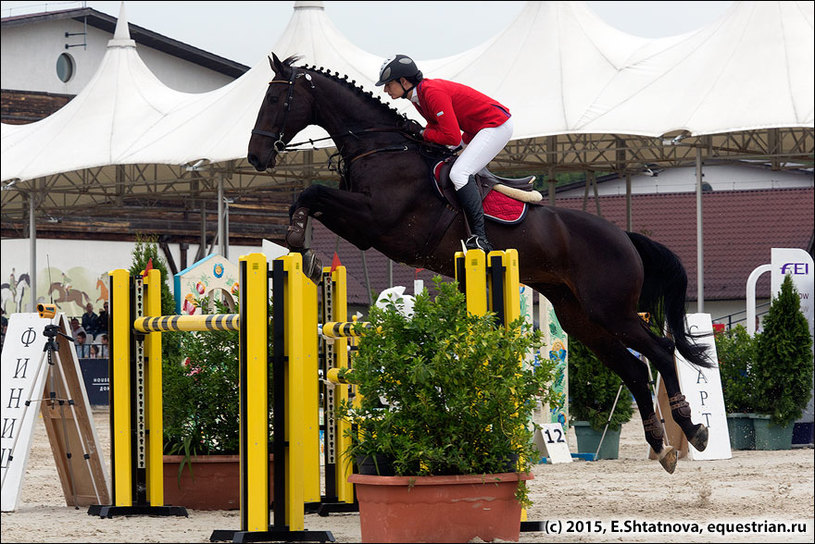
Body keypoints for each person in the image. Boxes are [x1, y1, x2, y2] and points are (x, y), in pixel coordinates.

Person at [376, 54, 514, 252]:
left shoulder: (431, 92)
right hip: (475, 128)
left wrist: (422, 132)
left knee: (459, 174)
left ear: (403, 81)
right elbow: (437, 127)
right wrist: (422, 134)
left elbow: (450, 137)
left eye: (388, 84)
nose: (386, 89)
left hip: (495, 125)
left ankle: (481, 238)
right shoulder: (419, 97)